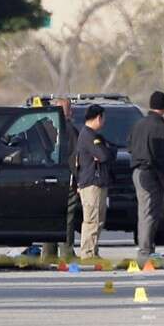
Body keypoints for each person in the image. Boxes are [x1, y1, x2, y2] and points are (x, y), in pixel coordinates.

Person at [128, 90, 164, 264]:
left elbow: (130, 146)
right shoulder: (160, 127)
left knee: (149, 211)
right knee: (148, 212)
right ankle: (144, 252)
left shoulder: (139, 124)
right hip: (149, 173)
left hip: (138, 171)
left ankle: (149, 248)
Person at [41, 98, 80, 261]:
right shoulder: (70, 130)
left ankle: (48, 253)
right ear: (68, 112)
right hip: (65, 179)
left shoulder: (42, 128)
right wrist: (77, 181)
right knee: (67, 218)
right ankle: (67, 253)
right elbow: (75, 158)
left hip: (45, 179)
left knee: (49, 216)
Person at [75, 104, 116, 259]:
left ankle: (93, 250)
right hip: (92, 183)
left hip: (98, 182)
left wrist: (105, 152)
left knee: (98, 220)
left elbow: (109, 152)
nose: (104, 121)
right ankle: (87, 253)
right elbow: (104, 155)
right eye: (104, 118)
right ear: (99, 117)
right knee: (92, 220)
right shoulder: (88, 136)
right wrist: (104, 152)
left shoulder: (94, 136)